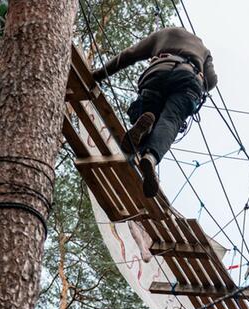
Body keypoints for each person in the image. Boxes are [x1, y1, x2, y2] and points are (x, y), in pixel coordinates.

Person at [91, 27, 218, 198]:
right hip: (189, 79)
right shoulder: (203, 49)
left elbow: (129, 55)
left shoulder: (163, 34)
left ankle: (145, 128)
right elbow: (212, 81)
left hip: (159, 70)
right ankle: (150, 157)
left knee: (145, 110)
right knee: (171, 120)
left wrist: (98, 75)